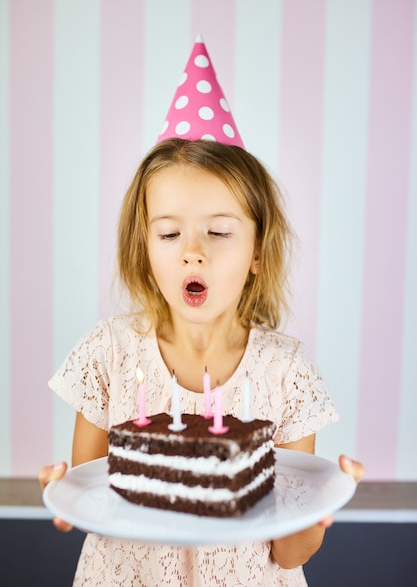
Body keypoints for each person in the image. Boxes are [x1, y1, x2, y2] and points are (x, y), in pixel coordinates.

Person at [39, 39, 365, 586]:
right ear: (145, 248)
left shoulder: (286, 372)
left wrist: (320, 513)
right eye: (169, 233)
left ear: (258, 252)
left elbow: (288, 553)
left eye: (218, 231)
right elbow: (95, 495)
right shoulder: (109, 353)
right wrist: (62, 491)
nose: (193, 250)